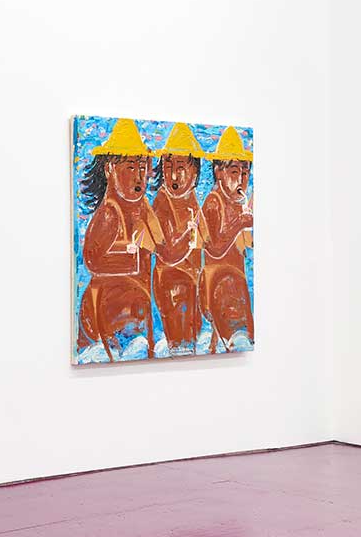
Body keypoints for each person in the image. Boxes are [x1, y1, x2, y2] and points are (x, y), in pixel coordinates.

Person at [76, 118, 164, 362]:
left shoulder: (142, 208)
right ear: (110, 169)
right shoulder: (109, 213)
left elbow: (161, 247)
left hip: (135, 321)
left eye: (142, 167)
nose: (139, 176)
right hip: (105, 322)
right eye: (130, 167)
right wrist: (132, 249)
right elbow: (92, 260)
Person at [150, 123, 210, 357]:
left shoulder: (191, 199)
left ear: (194, 172)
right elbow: (167, 252)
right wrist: (189, 233)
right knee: (181, 344)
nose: (173, 175)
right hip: (171, 282)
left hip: (193, 281)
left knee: (192, 338)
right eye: (168, 167)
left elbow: (206, 242)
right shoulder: (162, 202)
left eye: (181, 167)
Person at [200, 126, 255, 352]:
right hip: (220, 284)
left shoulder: (238, 204)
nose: (241, 179)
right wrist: (240, 223)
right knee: (237, 339)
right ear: (219, 172)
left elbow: (247, 245)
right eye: (234, 172)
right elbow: (214, 247)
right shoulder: (214, 202)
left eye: (245, 173)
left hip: (236, 281)